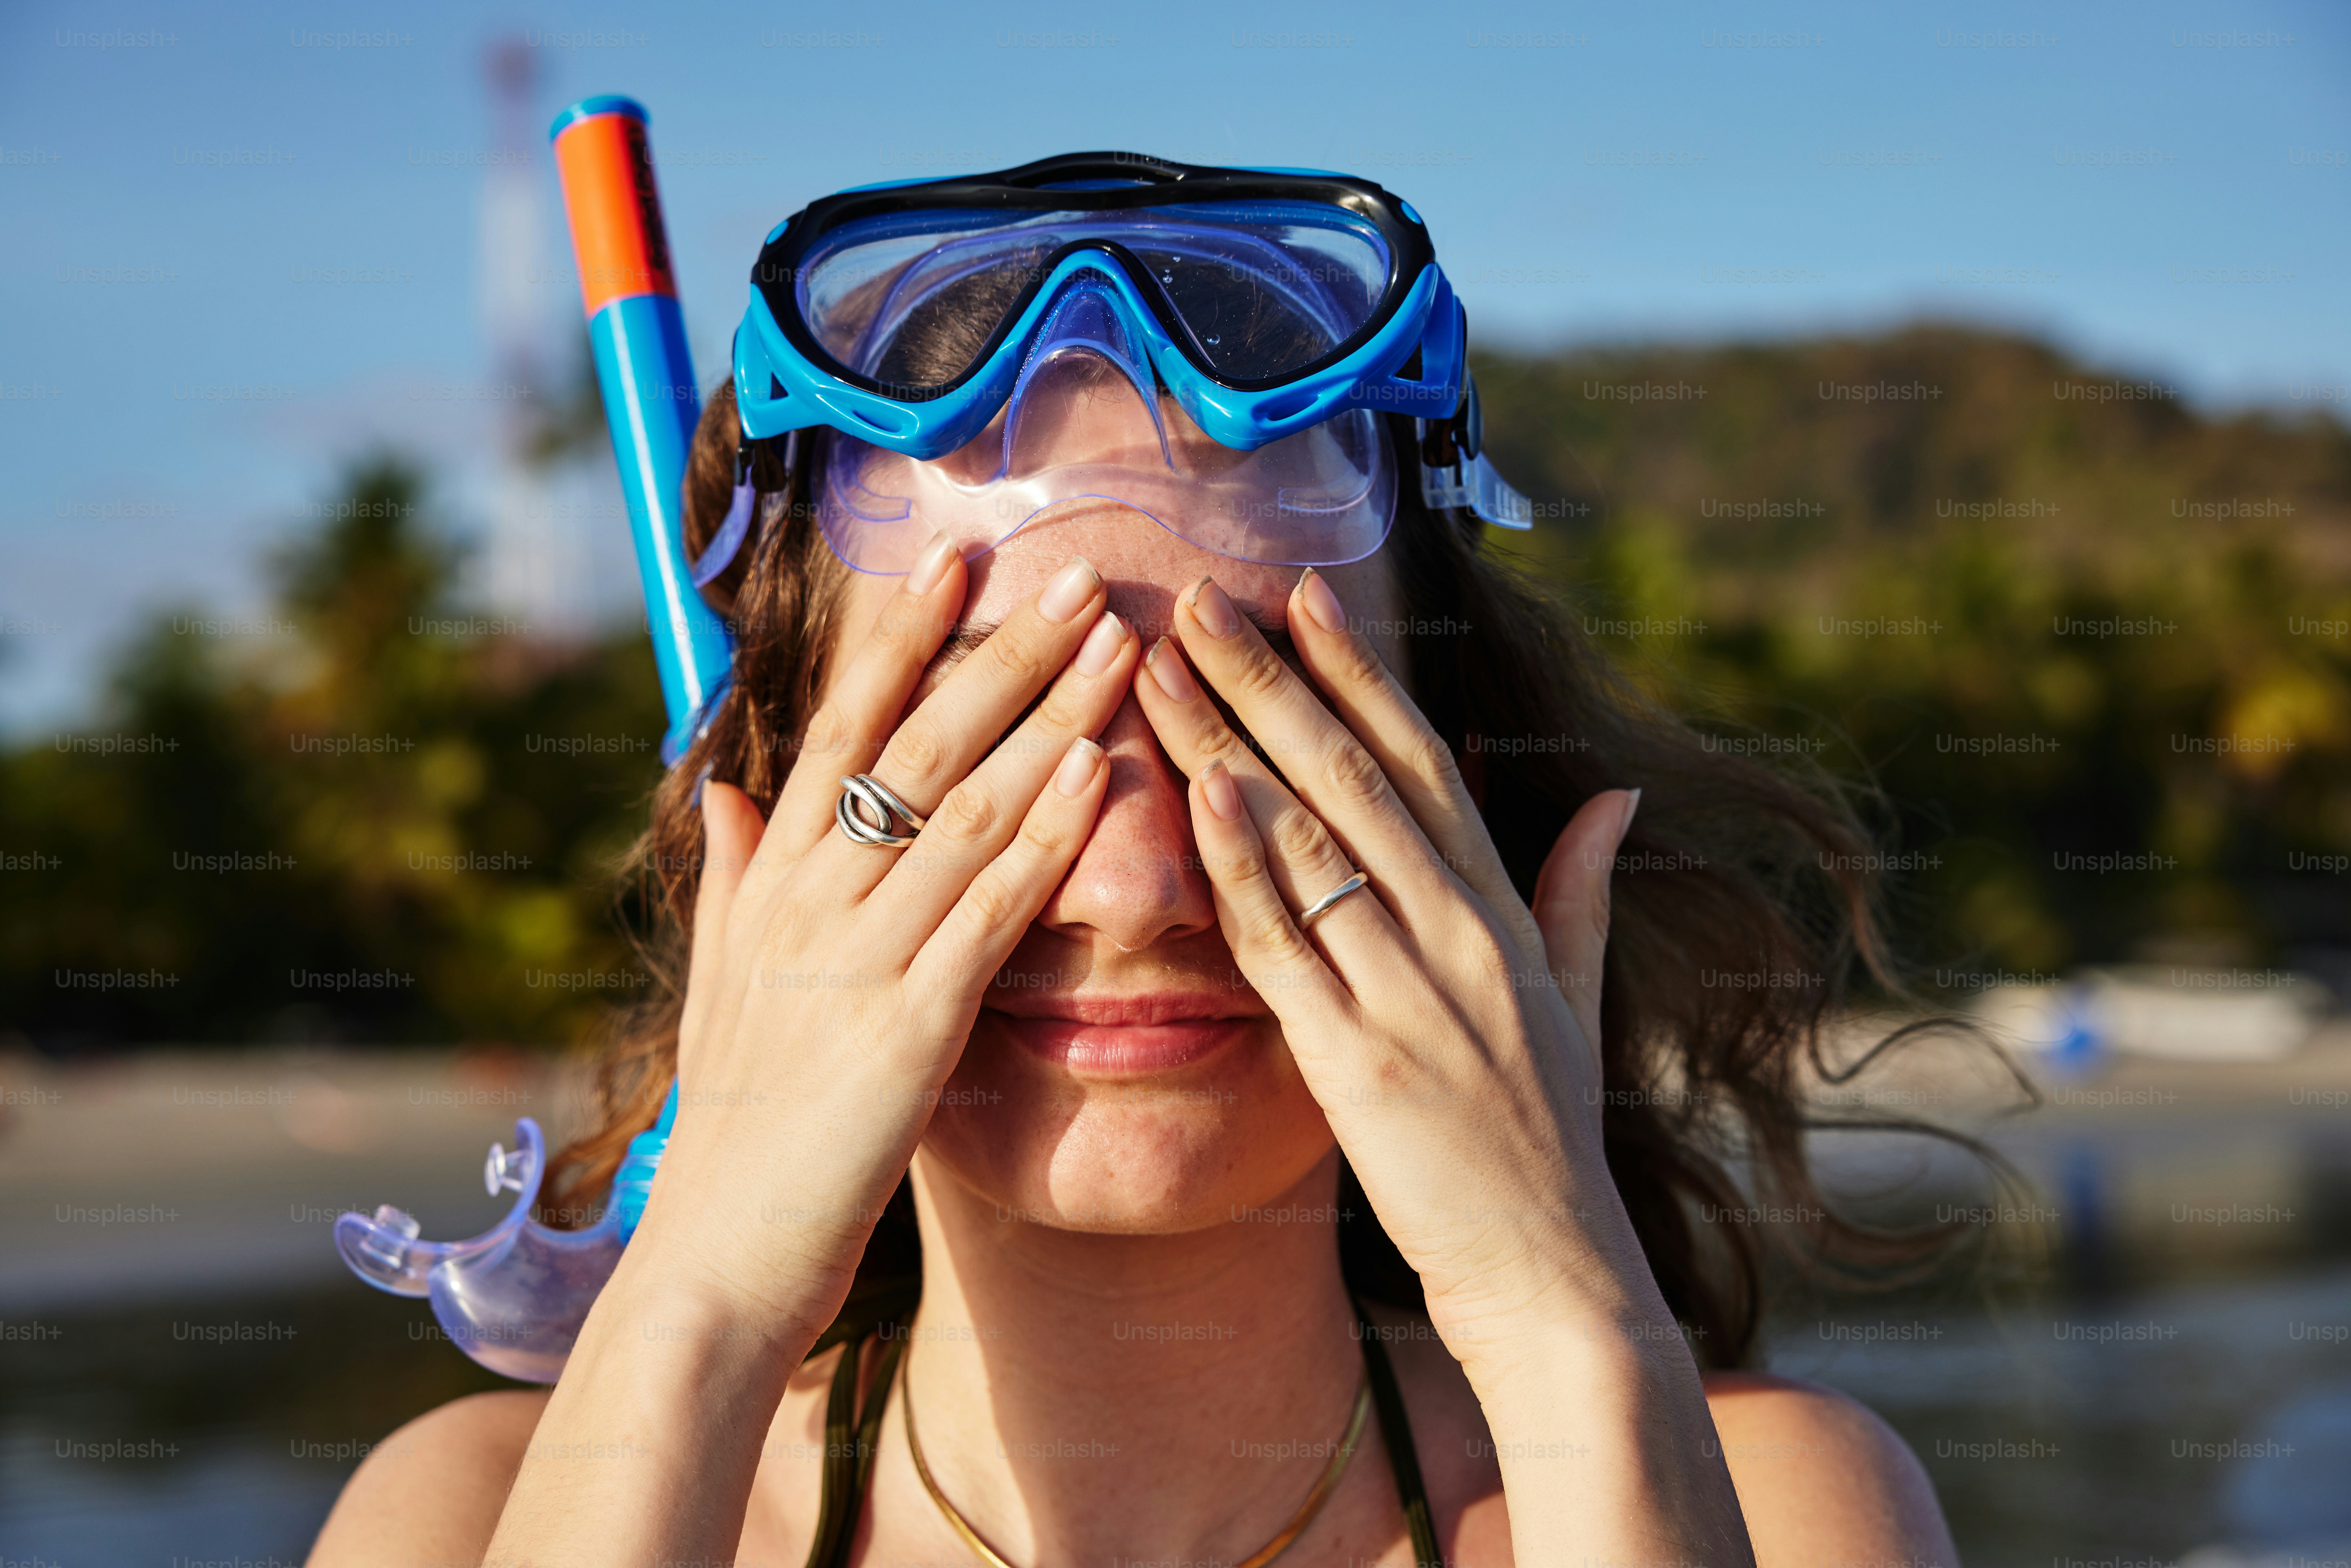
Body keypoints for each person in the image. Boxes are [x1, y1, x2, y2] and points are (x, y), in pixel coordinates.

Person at [311, 155, 1960, 1568]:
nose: (1134, 888)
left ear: (1464, 814)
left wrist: (1562, 1324)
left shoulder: (1751, 1503)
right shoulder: (467, 1520)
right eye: (995, 745)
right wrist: (705, 1304)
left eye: (1254, 729)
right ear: (773, 850)